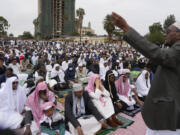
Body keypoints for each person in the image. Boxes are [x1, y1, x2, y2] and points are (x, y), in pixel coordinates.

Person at [112, 12, 180, 134]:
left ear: (178, 34)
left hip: (167, 120)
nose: (165, 34)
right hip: (162, 117)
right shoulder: (173, 51)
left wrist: (126, 28)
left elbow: (158, 54)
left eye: (168, 31)